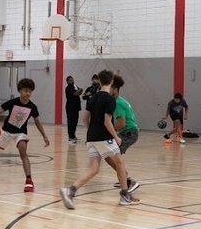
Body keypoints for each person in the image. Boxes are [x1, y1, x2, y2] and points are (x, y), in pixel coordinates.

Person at [60, 70, 139, 208]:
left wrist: (93, 130)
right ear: (112, 82)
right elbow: (107, 122)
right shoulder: (110, 99)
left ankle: (70, 191)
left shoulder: (93, 98)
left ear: (100, 81)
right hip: (104, 137)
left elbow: (85, 118)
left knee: (93, 169)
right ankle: (125, 195)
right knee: (120, 163)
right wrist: (116, 137)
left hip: (91, 138)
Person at [0, 77, 50, 193]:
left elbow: (37, 122)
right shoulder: (12, 103)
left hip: (20, 133)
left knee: (23, 152)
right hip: (5, 132)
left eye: (30, 91)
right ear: (19, 90)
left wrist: (44, 136)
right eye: (25, 90)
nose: (28, 93)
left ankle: (29, 181)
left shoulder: (32, 107)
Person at [110, 74, 141, 192]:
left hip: (129, 132)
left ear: (114, 89)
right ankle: (123, 177)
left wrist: (109, 129)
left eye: (109, 88)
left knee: (111, 153)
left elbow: (121, 124)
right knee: (112, 154)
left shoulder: (117, 102)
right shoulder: (120, 101)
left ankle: (128, 181)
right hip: (128, 132)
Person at [64, 75, 83, 144]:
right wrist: (79, 90)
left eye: (72, 80)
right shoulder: (68, 88)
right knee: (71, 122)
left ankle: (73, 135)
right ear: (67, 82)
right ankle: (70, 137)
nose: (72, 81)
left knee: (75, 121)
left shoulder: (75, 86)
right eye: (70, 80)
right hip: (70, 107)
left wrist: (80, 90)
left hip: (76, 107)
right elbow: (76, 93)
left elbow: (80, 92)